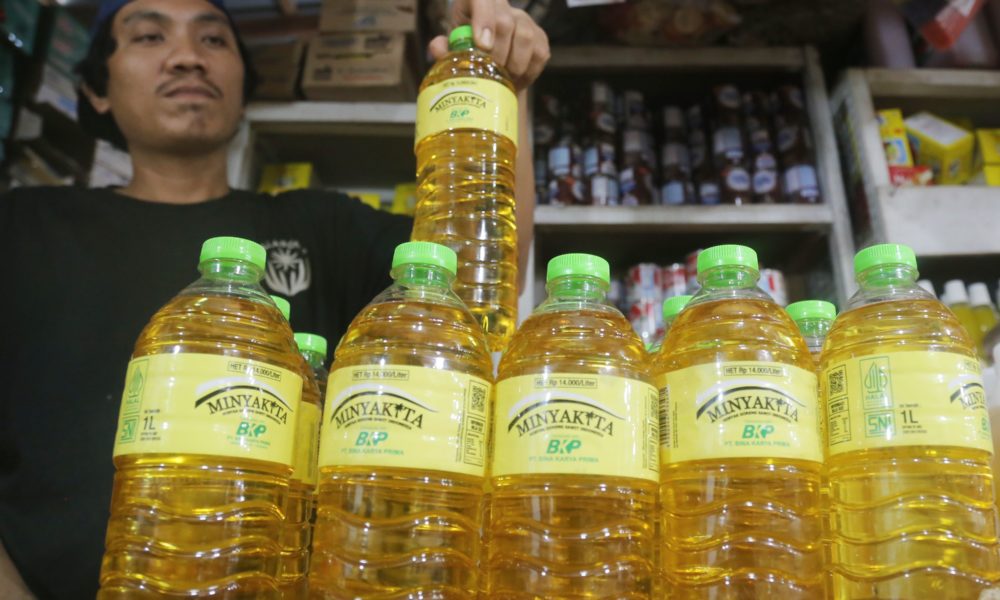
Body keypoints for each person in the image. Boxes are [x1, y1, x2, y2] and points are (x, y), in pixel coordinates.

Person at [0, 0, 550, 597]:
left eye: (214, 41)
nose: (187, 57)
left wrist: (501, 81)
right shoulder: (22, 226)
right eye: (150, 36)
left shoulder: (319, 223)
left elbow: (475, 287)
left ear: (244, 86)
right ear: (95, 90)